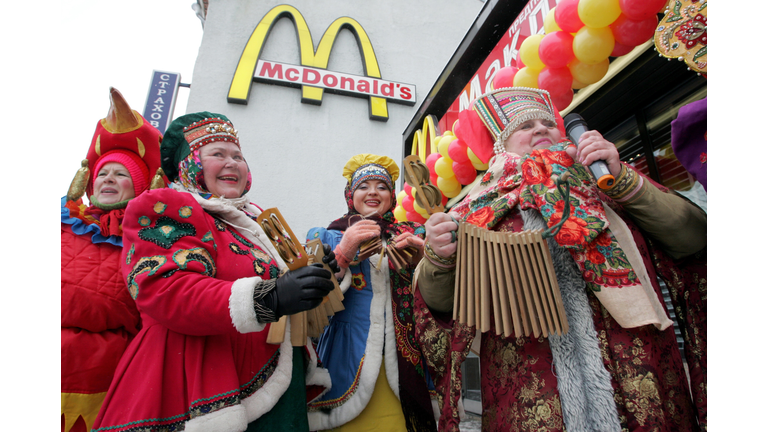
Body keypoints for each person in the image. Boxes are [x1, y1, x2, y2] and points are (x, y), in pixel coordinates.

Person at [413, 87, 707, 431]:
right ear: (499, 146)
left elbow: (692, 240)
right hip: (530, 386)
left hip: (639, 371)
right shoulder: (471, 209)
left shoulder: (607, 179)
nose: (540, 129)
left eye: (546, 123)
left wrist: (627, 181)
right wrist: (438, 258)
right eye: (523, 128)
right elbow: (441, 305)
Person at [91, 112, 337, 432]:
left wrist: (318, 277)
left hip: (277, 380)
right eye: (217, 154)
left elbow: (290, 292)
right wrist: (270, 296)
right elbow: (166, 288)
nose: (232, 163)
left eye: (238, 156)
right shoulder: (168, 205)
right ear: (190, 164)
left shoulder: (258, 220)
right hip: (200, 380)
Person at [306, 154, 437, 432]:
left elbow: (440, 297)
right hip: (345, 358)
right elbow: (309, 304)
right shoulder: (326, 237)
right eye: (364, 186)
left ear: (392, 194)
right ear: (350, 194)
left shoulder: (412, 234)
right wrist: (343, 253)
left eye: (382, 186)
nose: (374, 192)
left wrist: (427, 259)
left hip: (406, 361)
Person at [61, 87, 164, 432]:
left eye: (121, 175)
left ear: (140, 187)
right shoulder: (62, 220)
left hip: (105, 373)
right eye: (103, 173)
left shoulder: (151, 238)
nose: (109, 179)